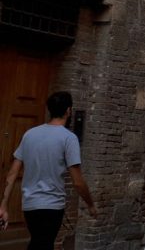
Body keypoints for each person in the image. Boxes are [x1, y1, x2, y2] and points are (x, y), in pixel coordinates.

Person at [0, 91, 97, 249]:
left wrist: (3, 206)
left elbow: (11, 174)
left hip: (30, 205)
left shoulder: (29, 134)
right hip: (52, 206)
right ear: (68, 110)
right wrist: (91, 205)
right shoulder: (68, 138)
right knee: (43, 244)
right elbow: (78, 182)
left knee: (39, 242)